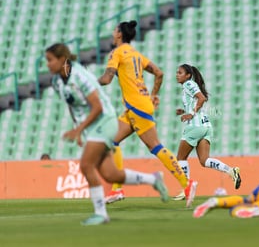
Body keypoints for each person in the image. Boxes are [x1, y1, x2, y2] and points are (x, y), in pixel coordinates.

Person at [46, 43, 169, 225]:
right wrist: (79, 129)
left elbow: (97, 106)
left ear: (62, 59)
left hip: (105, 121)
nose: (47, 64)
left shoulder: (79, 76)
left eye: (50, 60)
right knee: (111, 175)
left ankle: (101, 213)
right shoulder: (56, 82)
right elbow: (73, 106)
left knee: (87, 165)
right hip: (91, 126)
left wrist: (79, 130)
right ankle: (153, 179)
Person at [98, 20, 197, 207]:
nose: (112, 33)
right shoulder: (136, 54)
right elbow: (159, 73)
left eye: (114, 30)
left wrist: (89, 83)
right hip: (138, 105)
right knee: (111, 141)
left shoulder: (117, 53)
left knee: (156, 147)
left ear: (119, 34)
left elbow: (107, 78)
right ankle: (117, 189)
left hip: (137, 106)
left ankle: (187, 183)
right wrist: (153, 95)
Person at [173, 64, 241, 201]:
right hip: (206, 126)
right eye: (177, 72)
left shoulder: (188, 84)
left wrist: (191, 114)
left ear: (188, 75)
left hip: (195, 126)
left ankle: (187, 188)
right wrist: (185, 111)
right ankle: (231, 171)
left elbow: (201, 98)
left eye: (180, 72)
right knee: (204, 160)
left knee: (180, 158)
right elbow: (197, 101)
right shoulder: (190, 85)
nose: (177, 75)